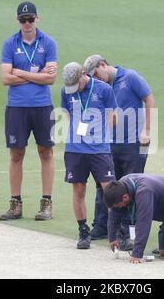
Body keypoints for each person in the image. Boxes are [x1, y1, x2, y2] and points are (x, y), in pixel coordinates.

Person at [83, 55, 155, 246]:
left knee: (129, 188)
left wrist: (147, 131)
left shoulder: (130, 77)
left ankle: (125, 230)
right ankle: (101, 225)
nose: (96, 79)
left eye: (96, 74)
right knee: (104, 184)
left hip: (132, 144)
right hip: (108, 143)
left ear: (103, 65)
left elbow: (149, 99)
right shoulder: (99, 86)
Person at [0, 1, 57, 221]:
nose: (27, 23)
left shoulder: (48, 42)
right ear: (17, 21)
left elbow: (50, 78)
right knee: (16, 154)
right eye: (23, 20)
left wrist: (19, 73)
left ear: (37, 19)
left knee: (46, 152)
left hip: (42, 106)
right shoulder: (9, 44)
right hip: (17, 107)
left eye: (30, 19)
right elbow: (5, 78)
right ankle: (15, 203)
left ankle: (46, 203)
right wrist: (37, 76)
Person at [61, 62, 118, 249]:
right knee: (78, 190)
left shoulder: (104, 89)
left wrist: (101, 136)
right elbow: (68, 115)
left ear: (84, 74)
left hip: (99, 150)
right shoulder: (66, 91)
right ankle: (83, 231)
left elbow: (113, 117)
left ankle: (117, 231)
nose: (72, 89)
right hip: (75, 149)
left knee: (111, 191)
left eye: (76, 84)